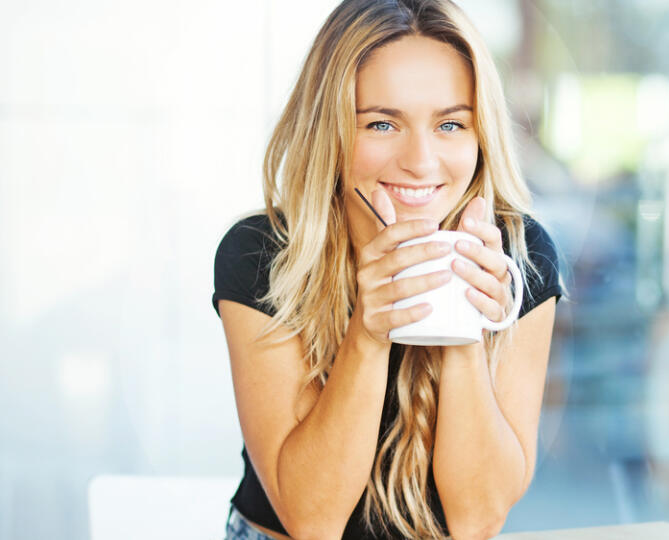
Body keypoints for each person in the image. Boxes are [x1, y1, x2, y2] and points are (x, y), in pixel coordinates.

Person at [211, 1, 565, 538]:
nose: (421, 161)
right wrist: (368, 334)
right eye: (381, 123)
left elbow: (478, 519)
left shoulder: (519, 256)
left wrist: (462, 324)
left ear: (481, 135)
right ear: (330, 129)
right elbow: (313, 520)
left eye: (450, 124)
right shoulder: (261, 254)